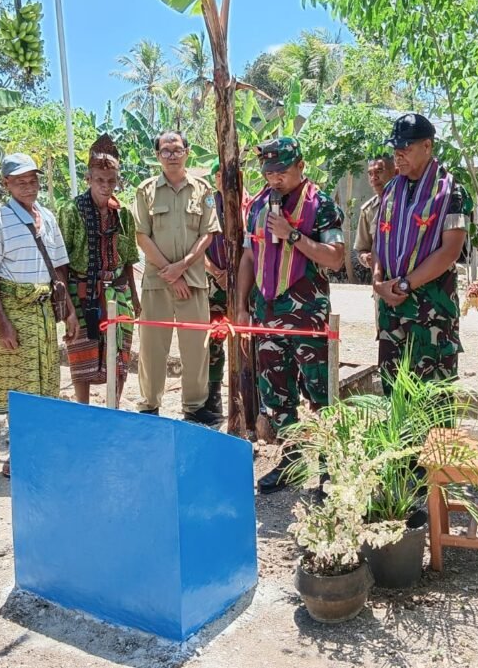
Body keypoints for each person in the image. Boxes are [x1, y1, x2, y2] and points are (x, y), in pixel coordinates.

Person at [235, 137, 345, 493]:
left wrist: (292, 234)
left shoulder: (322, 205)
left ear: (300, 165)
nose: (275, 178)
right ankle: (292, 460)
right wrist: (240, 306)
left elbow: (335, 257)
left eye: (281, 170)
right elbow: (249, 257)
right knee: (275, 394)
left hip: (307, 317)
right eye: (269, 172)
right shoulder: (257, 206)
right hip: (266, 315)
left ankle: (330, 467)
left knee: (320, 392)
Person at [0, 154, 79, 477]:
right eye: (20, 181)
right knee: (21, 385)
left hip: (43, 312)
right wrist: (2, 322)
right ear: (6, 184)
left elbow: (60, 268)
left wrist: (70, 313)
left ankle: (43, 448)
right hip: (14, 311)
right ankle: (19, 453)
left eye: (33, 180)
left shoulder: (47, 218)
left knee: (46, 380)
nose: (29, 187)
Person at [372, 114, 470, 393]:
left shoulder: (452, 191)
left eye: (406, 149)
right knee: (393, 392)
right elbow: (381, 238)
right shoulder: (391, 189)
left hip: (431, 311)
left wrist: (405, 284)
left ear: (427, 146)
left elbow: (450, 250)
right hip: (392, 308)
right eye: (395, 150)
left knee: (432, 395)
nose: (398, 156)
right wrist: (378, 281)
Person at [134, 132, 222, 426]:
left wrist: (182, 267)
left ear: (188, 152)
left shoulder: (204, 189)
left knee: (196, 347)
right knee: (151, 347)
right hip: (157, 282)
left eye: (177, 149)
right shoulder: (145, 190)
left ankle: (194, 408)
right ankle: (149, 406)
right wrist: (171, 274)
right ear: (157, 155)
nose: (172, 155)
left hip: (194, 281)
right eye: (165, 150)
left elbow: (208, 233)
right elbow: (142, 235)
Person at [58, 136, 141, 405]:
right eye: (99, 180)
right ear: (89, 179)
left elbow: (128, 260)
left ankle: (113, 408)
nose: (106, 186)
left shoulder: (124, 213)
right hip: (81, 290)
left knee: (120, 354)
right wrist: (67, 306)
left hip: (118, 291)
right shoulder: (71, 210)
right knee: (81, 353)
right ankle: (83, 410)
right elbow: (61, 263)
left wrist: (135, 299)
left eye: (111, 181)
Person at [203, 162, 250, 419]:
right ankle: (214, 396)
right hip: (215, 283)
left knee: (246, 339)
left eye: (228, 174)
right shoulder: (207, 204)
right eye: (218, 175)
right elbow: (198, 242)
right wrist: (216, 273)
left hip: (245, 283)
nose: (223, 179)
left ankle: (247, 394)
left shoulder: (249, 203)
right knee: (214, 340)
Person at [354, 155, 396, 273]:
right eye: (370, 174)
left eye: (379, 171)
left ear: (395, 172)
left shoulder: (410, 204)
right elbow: (361, 249)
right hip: (381, 283)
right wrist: (365, 258)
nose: (374, 177)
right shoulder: (368, 210)